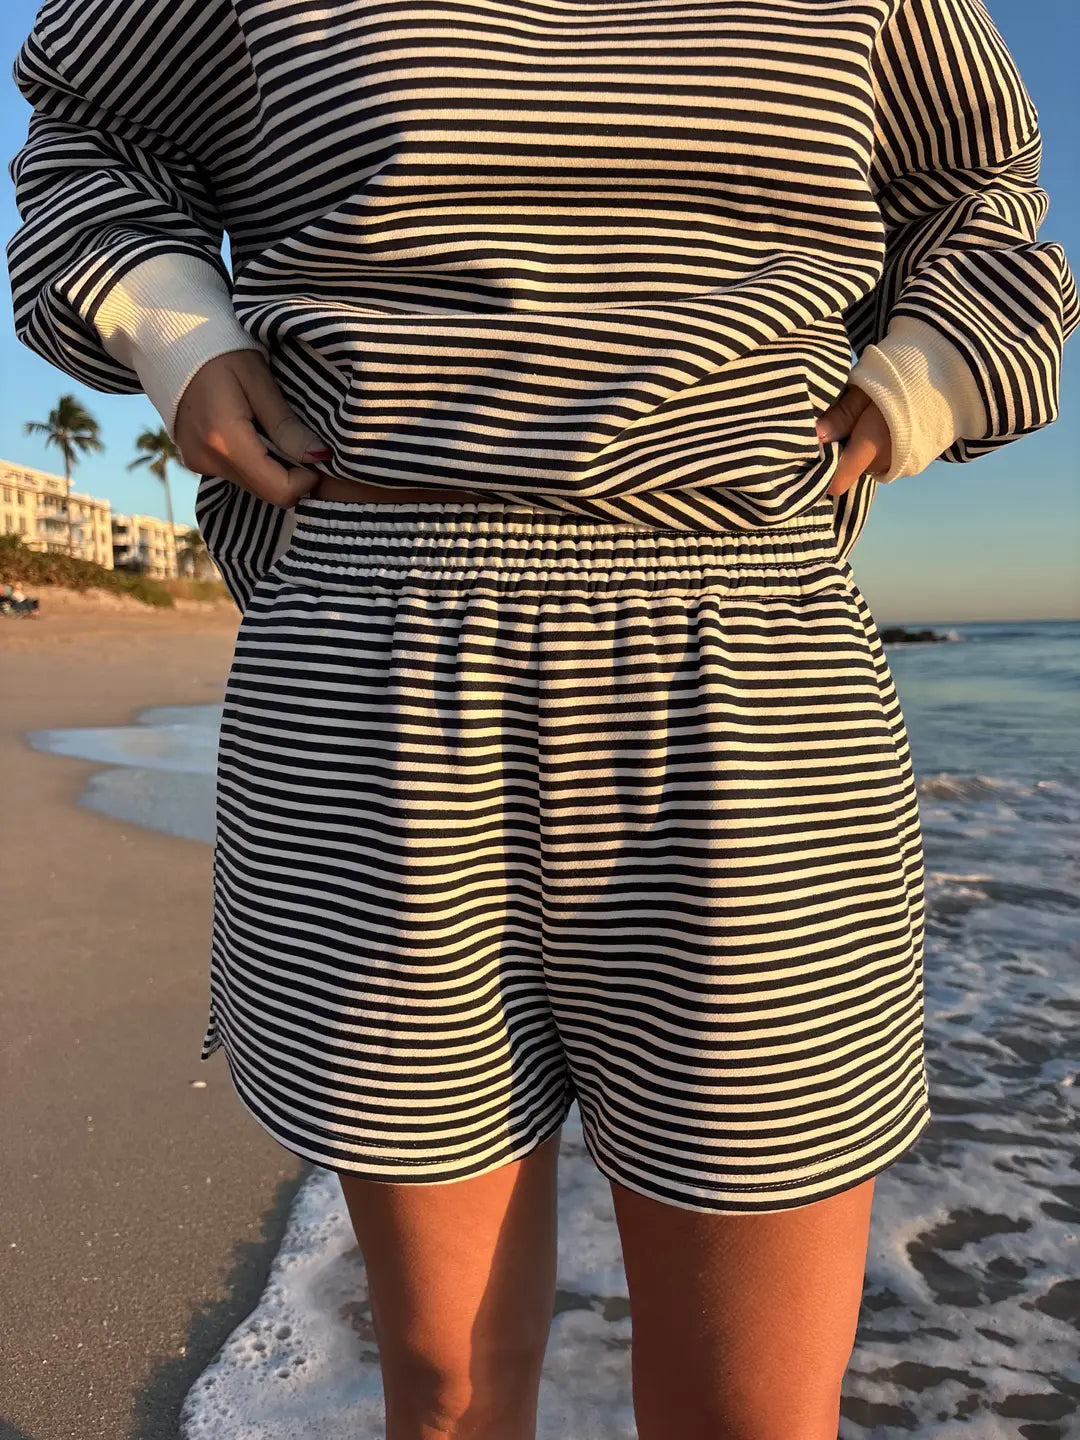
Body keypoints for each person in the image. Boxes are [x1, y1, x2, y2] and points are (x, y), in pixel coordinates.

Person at [7, 1, 1075, 1435]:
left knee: (753, 1415)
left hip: (750, 660)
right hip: (371, 670)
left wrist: (922, 381)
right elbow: (97, 132)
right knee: (447, 1397)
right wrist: (173, 330)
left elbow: (977, 199)